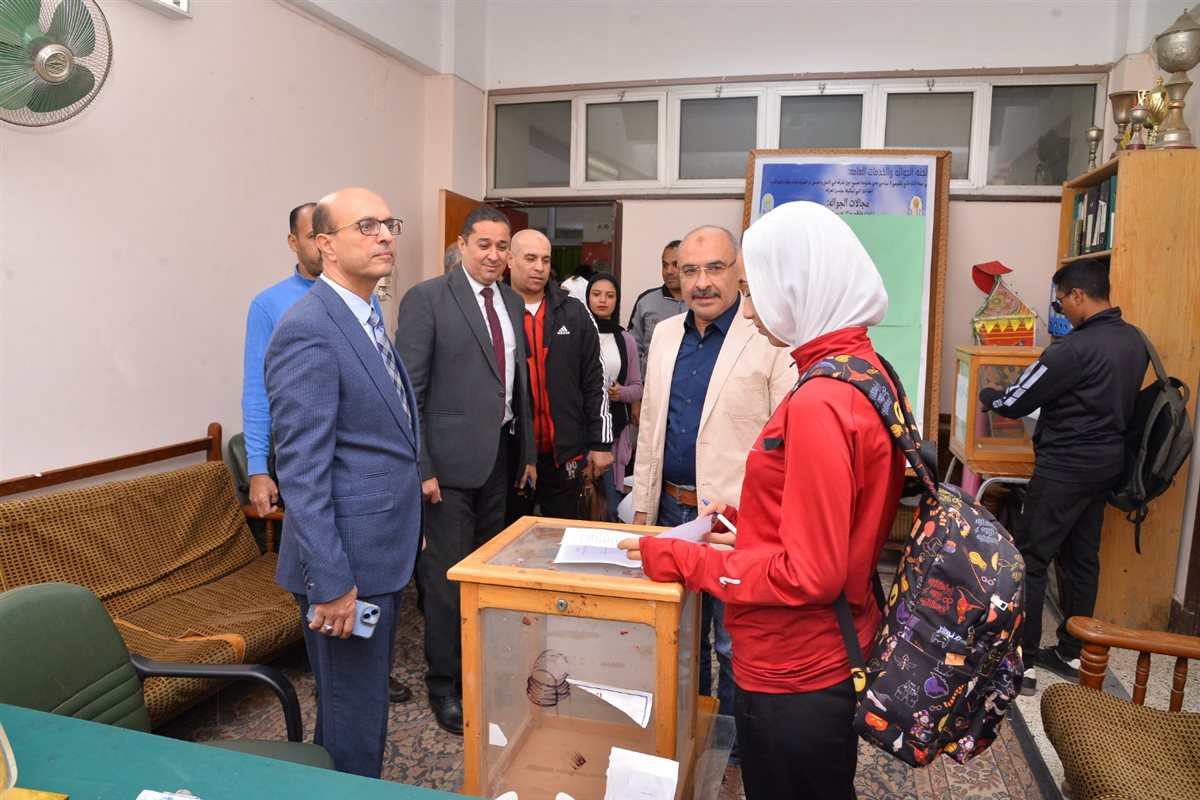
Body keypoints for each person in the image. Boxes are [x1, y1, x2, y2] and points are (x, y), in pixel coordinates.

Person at [619, 201, 906, 800]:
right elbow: (828, 515)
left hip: (795, 664)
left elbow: (810, 574)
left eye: (751, 290)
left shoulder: (821, 400)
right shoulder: (862, 368)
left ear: (799, 285)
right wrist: (747, 524)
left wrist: (684, 559)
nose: (747, 309)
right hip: (827, 642)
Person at [264, 187, 422, 777]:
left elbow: (384, 440)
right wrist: (330, 584)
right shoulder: (309, 327)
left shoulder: (366, 315)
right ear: (325, 245)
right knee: (354, 718)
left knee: (353, 709)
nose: (385, 236)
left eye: (389, 224)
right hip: (343, 563)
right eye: (367, 226)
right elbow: (301, 472)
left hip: (378, 545)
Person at [630, 225, 794, 764]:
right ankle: (687, 733)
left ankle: (732, 752)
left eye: (715, 268)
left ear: (738, 272)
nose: (702, 282)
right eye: (689, 271)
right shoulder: (665, 334)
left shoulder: (768, 335)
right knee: (678, 634)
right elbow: (651, 424)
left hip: (733, 523)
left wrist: (768, 526)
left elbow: (785, 440)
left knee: (732, 641)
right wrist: (642, 509)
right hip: (669, 511)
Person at [394, 207, 536, 736]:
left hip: (498, 459)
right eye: (484, 245)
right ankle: (445, 687)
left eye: (502, 247)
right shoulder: (427, 298)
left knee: (486, 578)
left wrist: (525, 453)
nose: (494, 256)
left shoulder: (511, 300)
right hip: (445, 471)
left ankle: (478, 673)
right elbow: (408, 392)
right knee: (446, 584)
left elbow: (515, 384)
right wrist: (421, 466)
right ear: (462, 245)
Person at [979, 258, 1147, 695]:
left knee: (1032, 557)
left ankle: (1024, 661)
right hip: (1107, 465)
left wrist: (990, 394)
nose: (1061, 311)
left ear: (1078, 295)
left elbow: (1016, 401)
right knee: (1082, 559)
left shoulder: (1072, 349)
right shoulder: (1135, 341)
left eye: (1060, 303)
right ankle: (1074, 653)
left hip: (1065, 466)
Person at [505, 229, 613, 522]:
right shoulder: (495, 310)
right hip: (510, 455)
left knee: (562, 535)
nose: (539, 267)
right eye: (530, 258)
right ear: (510, 260)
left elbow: (595, 380)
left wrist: (601, 443)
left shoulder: (574, 312)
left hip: (564, 453)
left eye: (545, 260)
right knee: (508, 537)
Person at [585, 272, 643, 521]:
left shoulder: (625, 338)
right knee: (581, 504)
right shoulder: (578, 333)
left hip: (615, 432)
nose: (602, 300)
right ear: (587, 297)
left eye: (609, 296)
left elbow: (638, 387)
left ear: (617, 301)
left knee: (609, 507)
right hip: (581, 429)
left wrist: (621, 393)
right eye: (596, 294)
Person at [628, 239, 687, 374]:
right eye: (664, 265)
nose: (669, 271)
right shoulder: (646, 301)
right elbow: (632, 349)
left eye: (675, 265)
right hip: (650, 382)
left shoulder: (701, 302)